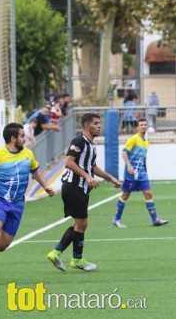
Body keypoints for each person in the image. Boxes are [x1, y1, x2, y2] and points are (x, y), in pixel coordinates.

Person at [47, 113, 122, 272]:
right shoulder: (79, 141)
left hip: (80, 187)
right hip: (73, 186)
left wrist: (110, 178)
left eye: (99, 123)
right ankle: (76, 259)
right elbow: (69, 162)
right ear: (87, 126)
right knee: (82, 224)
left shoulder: (91, 145)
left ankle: (57, 253)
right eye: (96, 123)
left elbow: (92, 166)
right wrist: (87, 177)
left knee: (79, 224)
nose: (99, 126)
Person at [0, 123, 55, 253]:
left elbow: (35, 170)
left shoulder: (28, 154)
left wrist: (45, 186)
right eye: (22, 136)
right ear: (13, 139)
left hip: (17, 204)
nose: (25, 139)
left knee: (1, 246)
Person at [113, 118, 168, 228]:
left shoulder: (146, 142)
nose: (143, 126)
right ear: (138, 127)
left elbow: (143, 158)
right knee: (125, 195)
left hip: (142, 173)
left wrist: (145, 171)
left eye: (145, 124)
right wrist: (129, 166)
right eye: (141, 124)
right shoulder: (133, 139)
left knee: (148, 193)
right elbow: (124, 153)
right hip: (131, 173)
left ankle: (155, 219)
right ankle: (117, 219)